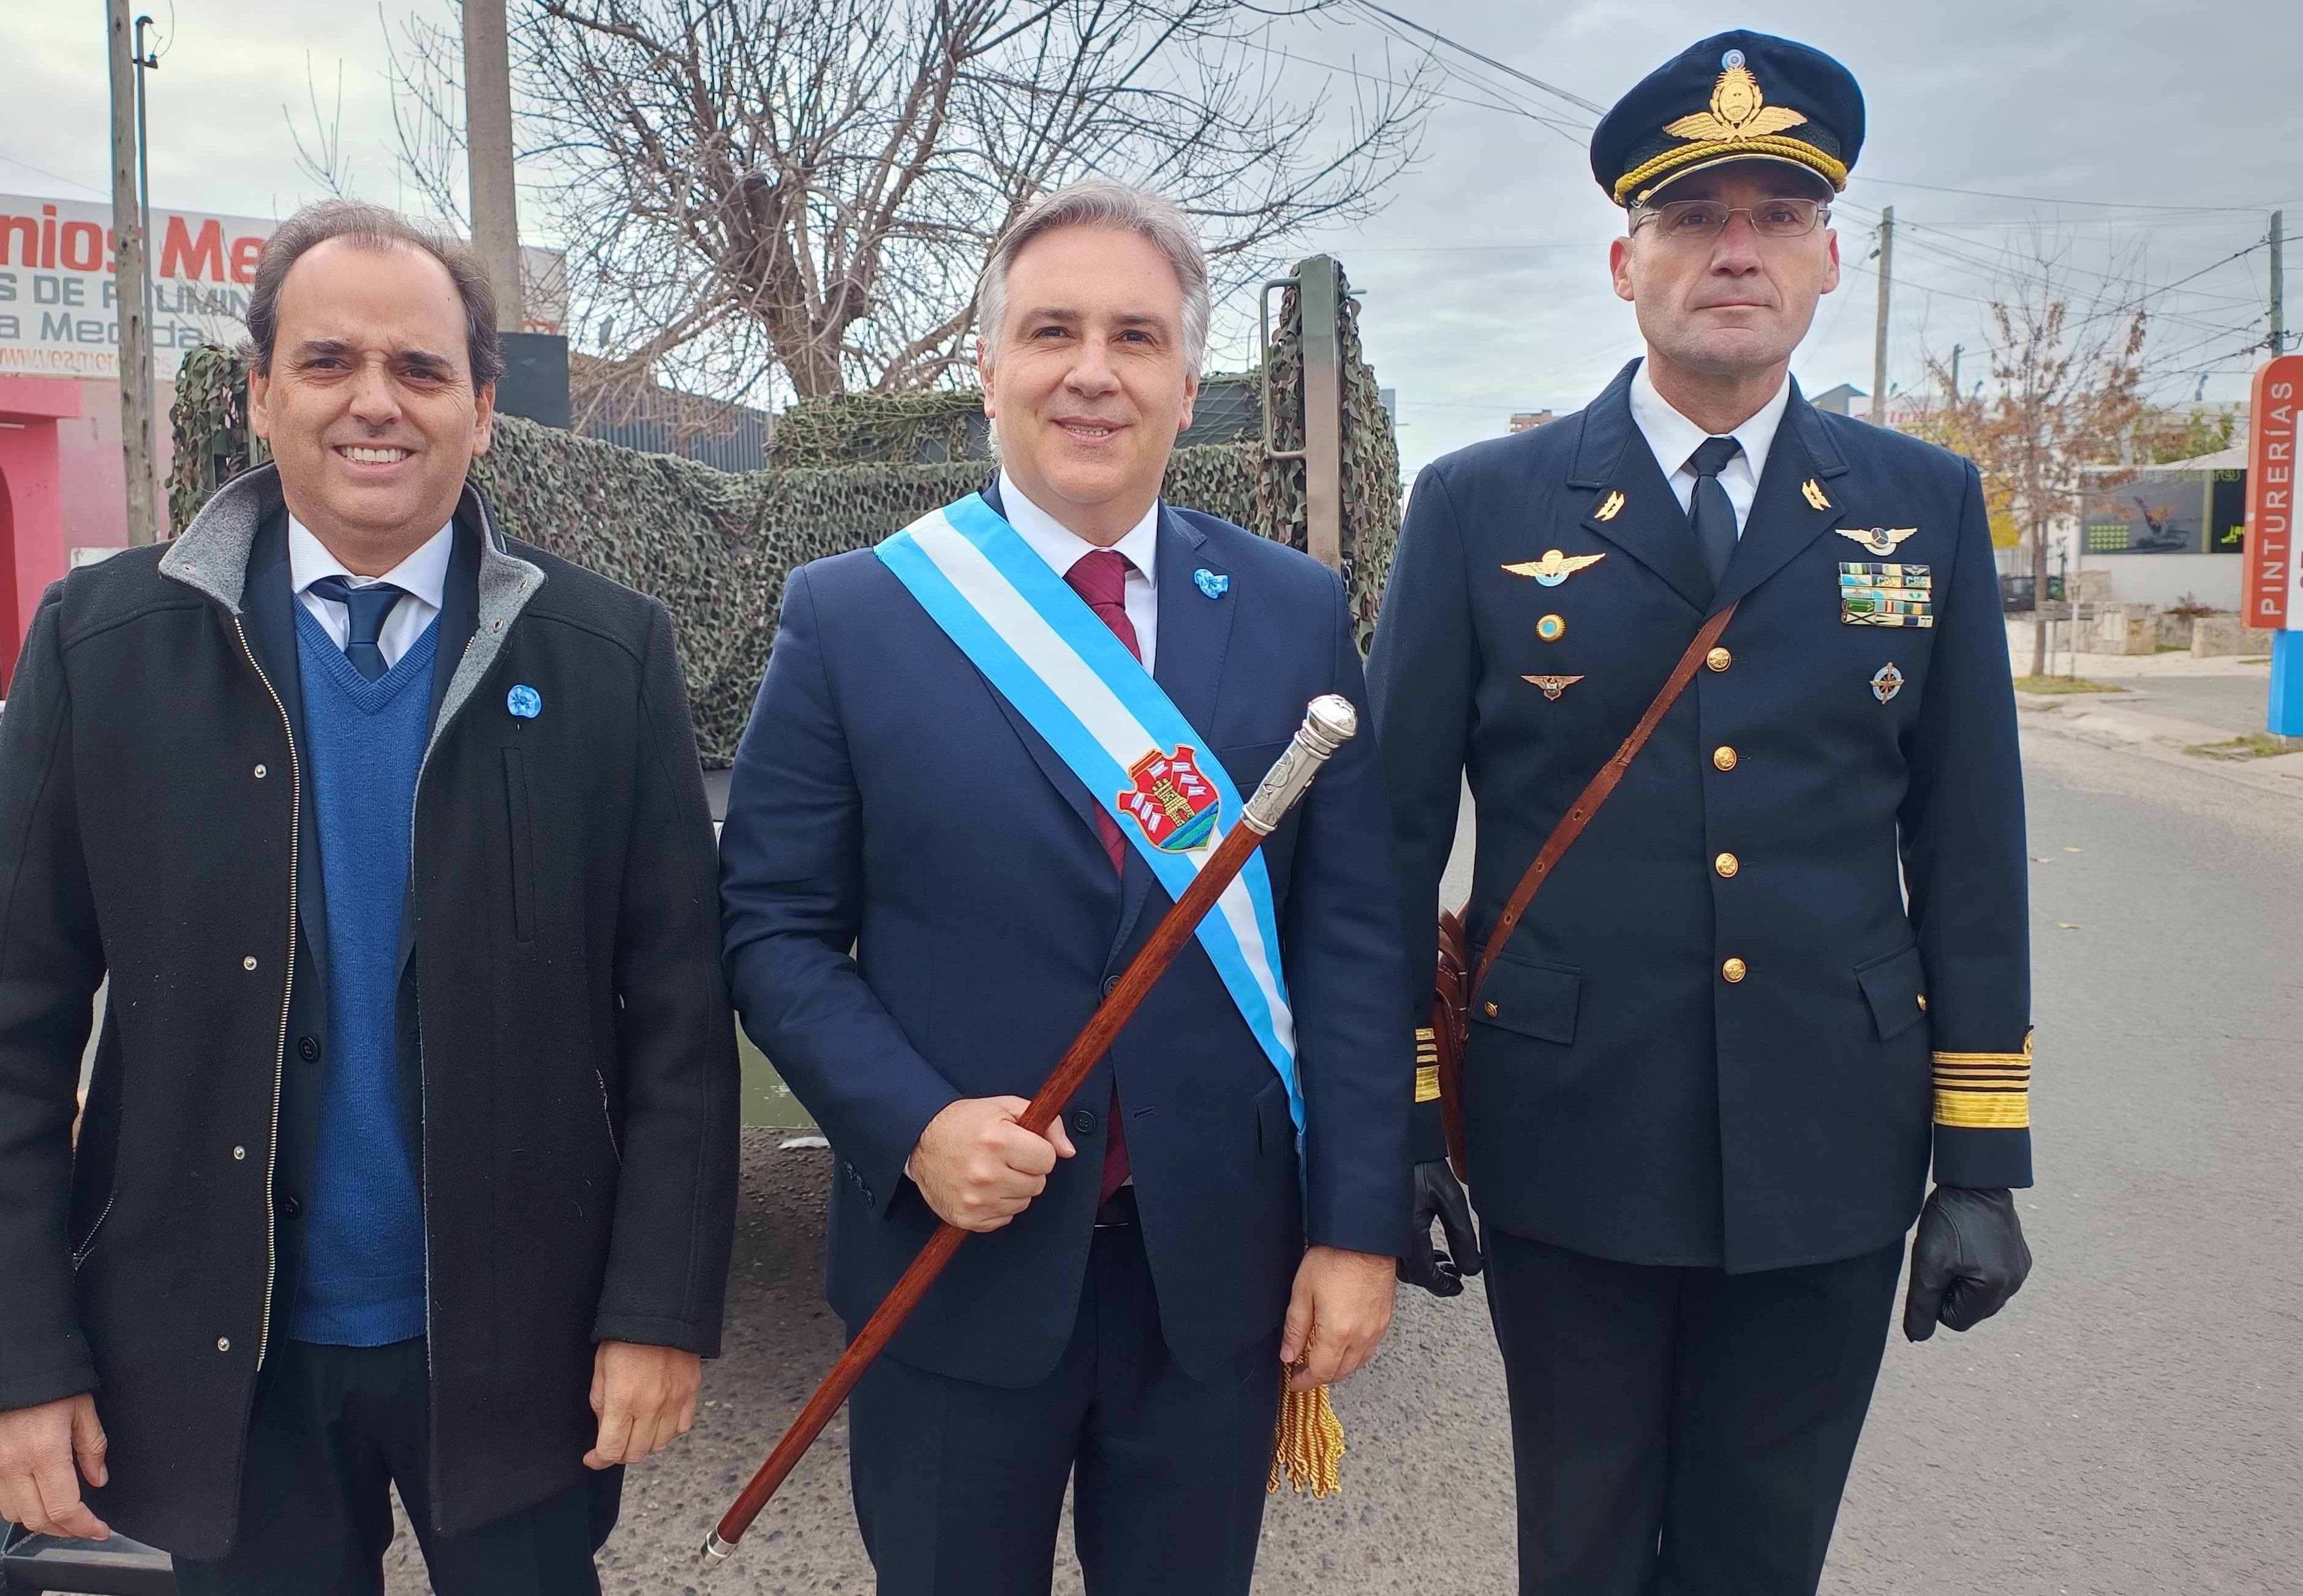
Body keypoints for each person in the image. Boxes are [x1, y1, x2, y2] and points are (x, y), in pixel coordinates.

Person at [1370, 32, 2035, 1595]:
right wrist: (1394, 1125)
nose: (1734, 248)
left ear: (1822, 260)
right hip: (1568, 1138)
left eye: (1775, 215)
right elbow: (1388, 846)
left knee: (1761, 1558)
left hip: (1829, 1138)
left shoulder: (1916, 501)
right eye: (1691, 217)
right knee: (1583, 1554)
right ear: (1624, 261)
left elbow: (1968, 848)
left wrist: (1980, 1160)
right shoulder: (1481, 506)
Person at [0, 200, 738, 1593]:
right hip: (222, 1360)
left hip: (522, 1351)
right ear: (263, 391)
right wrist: (24, 1353)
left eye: (419, 369)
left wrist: (658, 1308)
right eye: (329, 361)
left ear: (480, 408)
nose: (373, 403)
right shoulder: (102, 651)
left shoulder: (605, 656)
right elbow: (15, 1024)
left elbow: (681, 1023)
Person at [720, 178, 1410, 1596]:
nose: (1091, 372)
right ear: (988, 364)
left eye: (1136, 337)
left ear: (1181, 378)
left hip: (1211, 1278)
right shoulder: (854, 613)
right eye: (1051, 331)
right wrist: (909, 1124)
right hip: (953, 1265)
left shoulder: (1288, 610)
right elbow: (771, 929)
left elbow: (1347, 935)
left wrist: (1354, 1224)